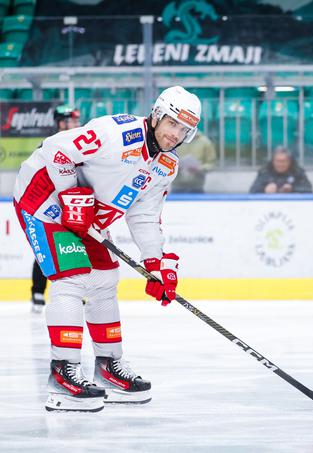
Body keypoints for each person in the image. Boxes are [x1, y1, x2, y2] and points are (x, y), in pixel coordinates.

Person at [13, 85, 202, 412]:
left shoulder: (166, 165)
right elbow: (56, 148)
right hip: (44, 200)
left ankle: (108, 366)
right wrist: (71, 193)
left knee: (104, 279)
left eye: (185, 129)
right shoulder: (117, 134)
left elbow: (144, 214)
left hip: (85, 215)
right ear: (157, 114)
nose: (176, 134)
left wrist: (155, 263)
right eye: (173, 123)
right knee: (71, 279)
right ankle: (63, 372)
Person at [29, 105, 82, 314]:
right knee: (45, 248)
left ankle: (72, 293)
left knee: (73, 249)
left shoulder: (77, 142)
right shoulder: (48, 145)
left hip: (69, 203)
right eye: (72, 120)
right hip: (48, 204)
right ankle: (38, 291)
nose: (76, 124)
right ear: (61, 123)